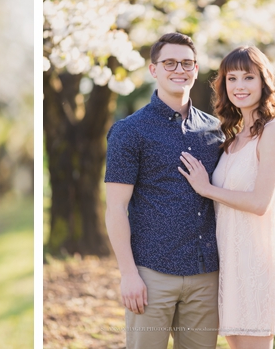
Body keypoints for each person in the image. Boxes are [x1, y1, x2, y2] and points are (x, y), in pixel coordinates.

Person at [104, 32, 225, 348]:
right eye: (169, 62)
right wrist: (128, 274)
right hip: (151, 275)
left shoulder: (215, 130)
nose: (179, 70)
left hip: (205, 275)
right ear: (153, 69)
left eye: (186, 63)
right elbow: (116, 208)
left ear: (196, 69)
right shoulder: (129, 132)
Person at [178, 45, 275, 348]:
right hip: (227, 266)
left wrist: (207, 189)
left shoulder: (273, 133)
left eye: (248, 77)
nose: (239, 86)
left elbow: (260, 203)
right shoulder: (231, 139)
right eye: (231, 79)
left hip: (254, 265)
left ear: (264, 82)